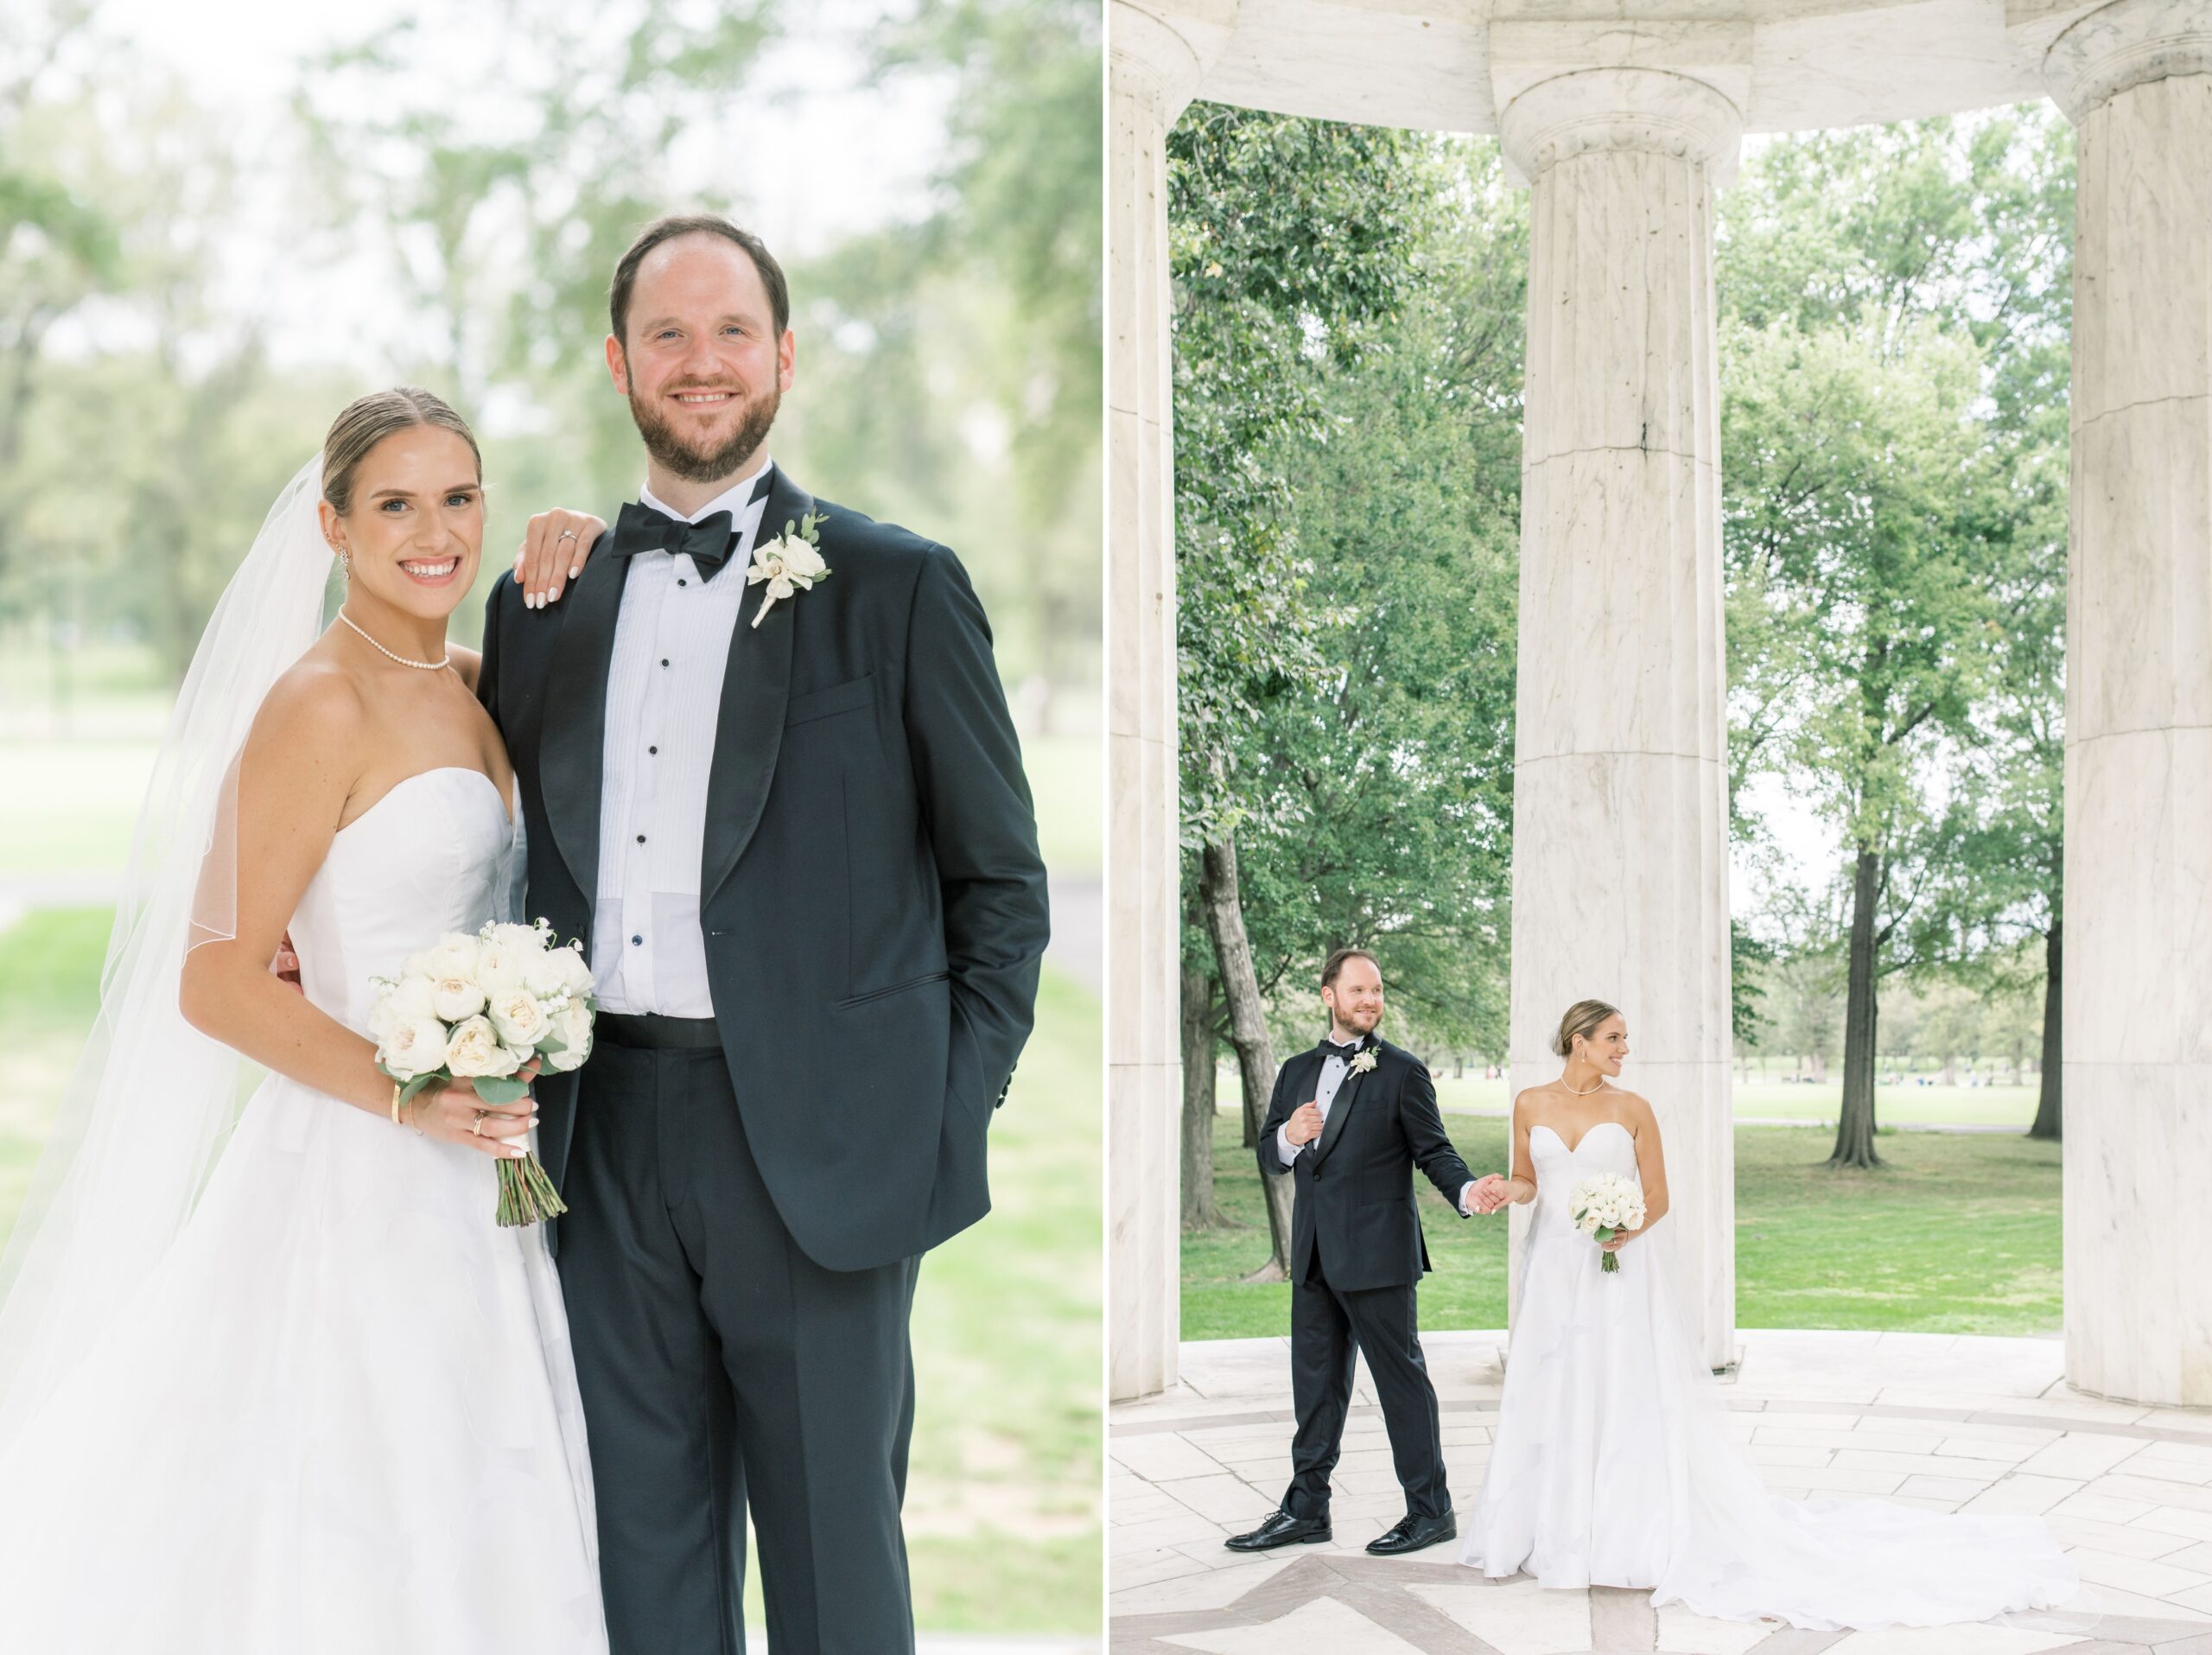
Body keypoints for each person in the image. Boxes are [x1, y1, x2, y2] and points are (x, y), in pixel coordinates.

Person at [476, 213, 1050, 1655]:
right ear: (620, 363)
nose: (701, 361)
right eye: (666, 334)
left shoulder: (899, 585)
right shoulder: (542, 602)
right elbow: (475, 836)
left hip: (826, 1141)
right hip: (598, 1139)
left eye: (731, 330)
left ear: (784, 356)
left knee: (832, 1567)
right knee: (641, 1560)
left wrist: (940, 1104)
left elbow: (1001, 886)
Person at [0, 389, 611, 1652]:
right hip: (364, 1169)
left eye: (459, 496)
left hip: (487, 1170)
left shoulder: (476, 682)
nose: (433, 531)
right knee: (351, 1496)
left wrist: (595, 542)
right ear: (333, 526)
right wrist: (412, 1094)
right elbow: (216, 976)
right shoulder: (315, 704)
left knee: (482, 1484)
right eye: (395, 503)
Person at [1459, 998, 2079, 1628]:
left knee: (1620, 1391)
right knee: (1553, 1388)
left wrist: (1625, 1226)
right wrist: (1502, 1189)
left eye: (1625, 1038)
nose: (1625, 1049)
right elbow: (1528, 1180)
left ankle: (1624, 1534)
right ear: (1579, 1040)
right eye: (1615, 1038)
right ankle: (1554, 1528)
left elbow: (1658, 1197)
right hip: (1554, 1274)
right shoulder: (1530, 1102)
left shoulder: (1633, 1108)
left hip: (1616, 1273)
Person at [1226, 948, 1483, 1557]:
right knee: (1313, 1389)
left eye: (1377, 990)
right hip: (1313, 1254)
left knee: (1401, 1385)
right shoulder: (1293, 1071)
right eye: (1359, 989)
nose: (1371, 999)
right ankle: (1306, 1509)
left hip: (1378, 1256)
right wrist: (1290, 1135)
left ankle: (1431, 1510)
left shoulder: (1402, 1070)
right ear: (1328, 995)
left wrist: (1468, 1190)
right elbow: (1269, 1152)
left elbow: (1434, 1150)